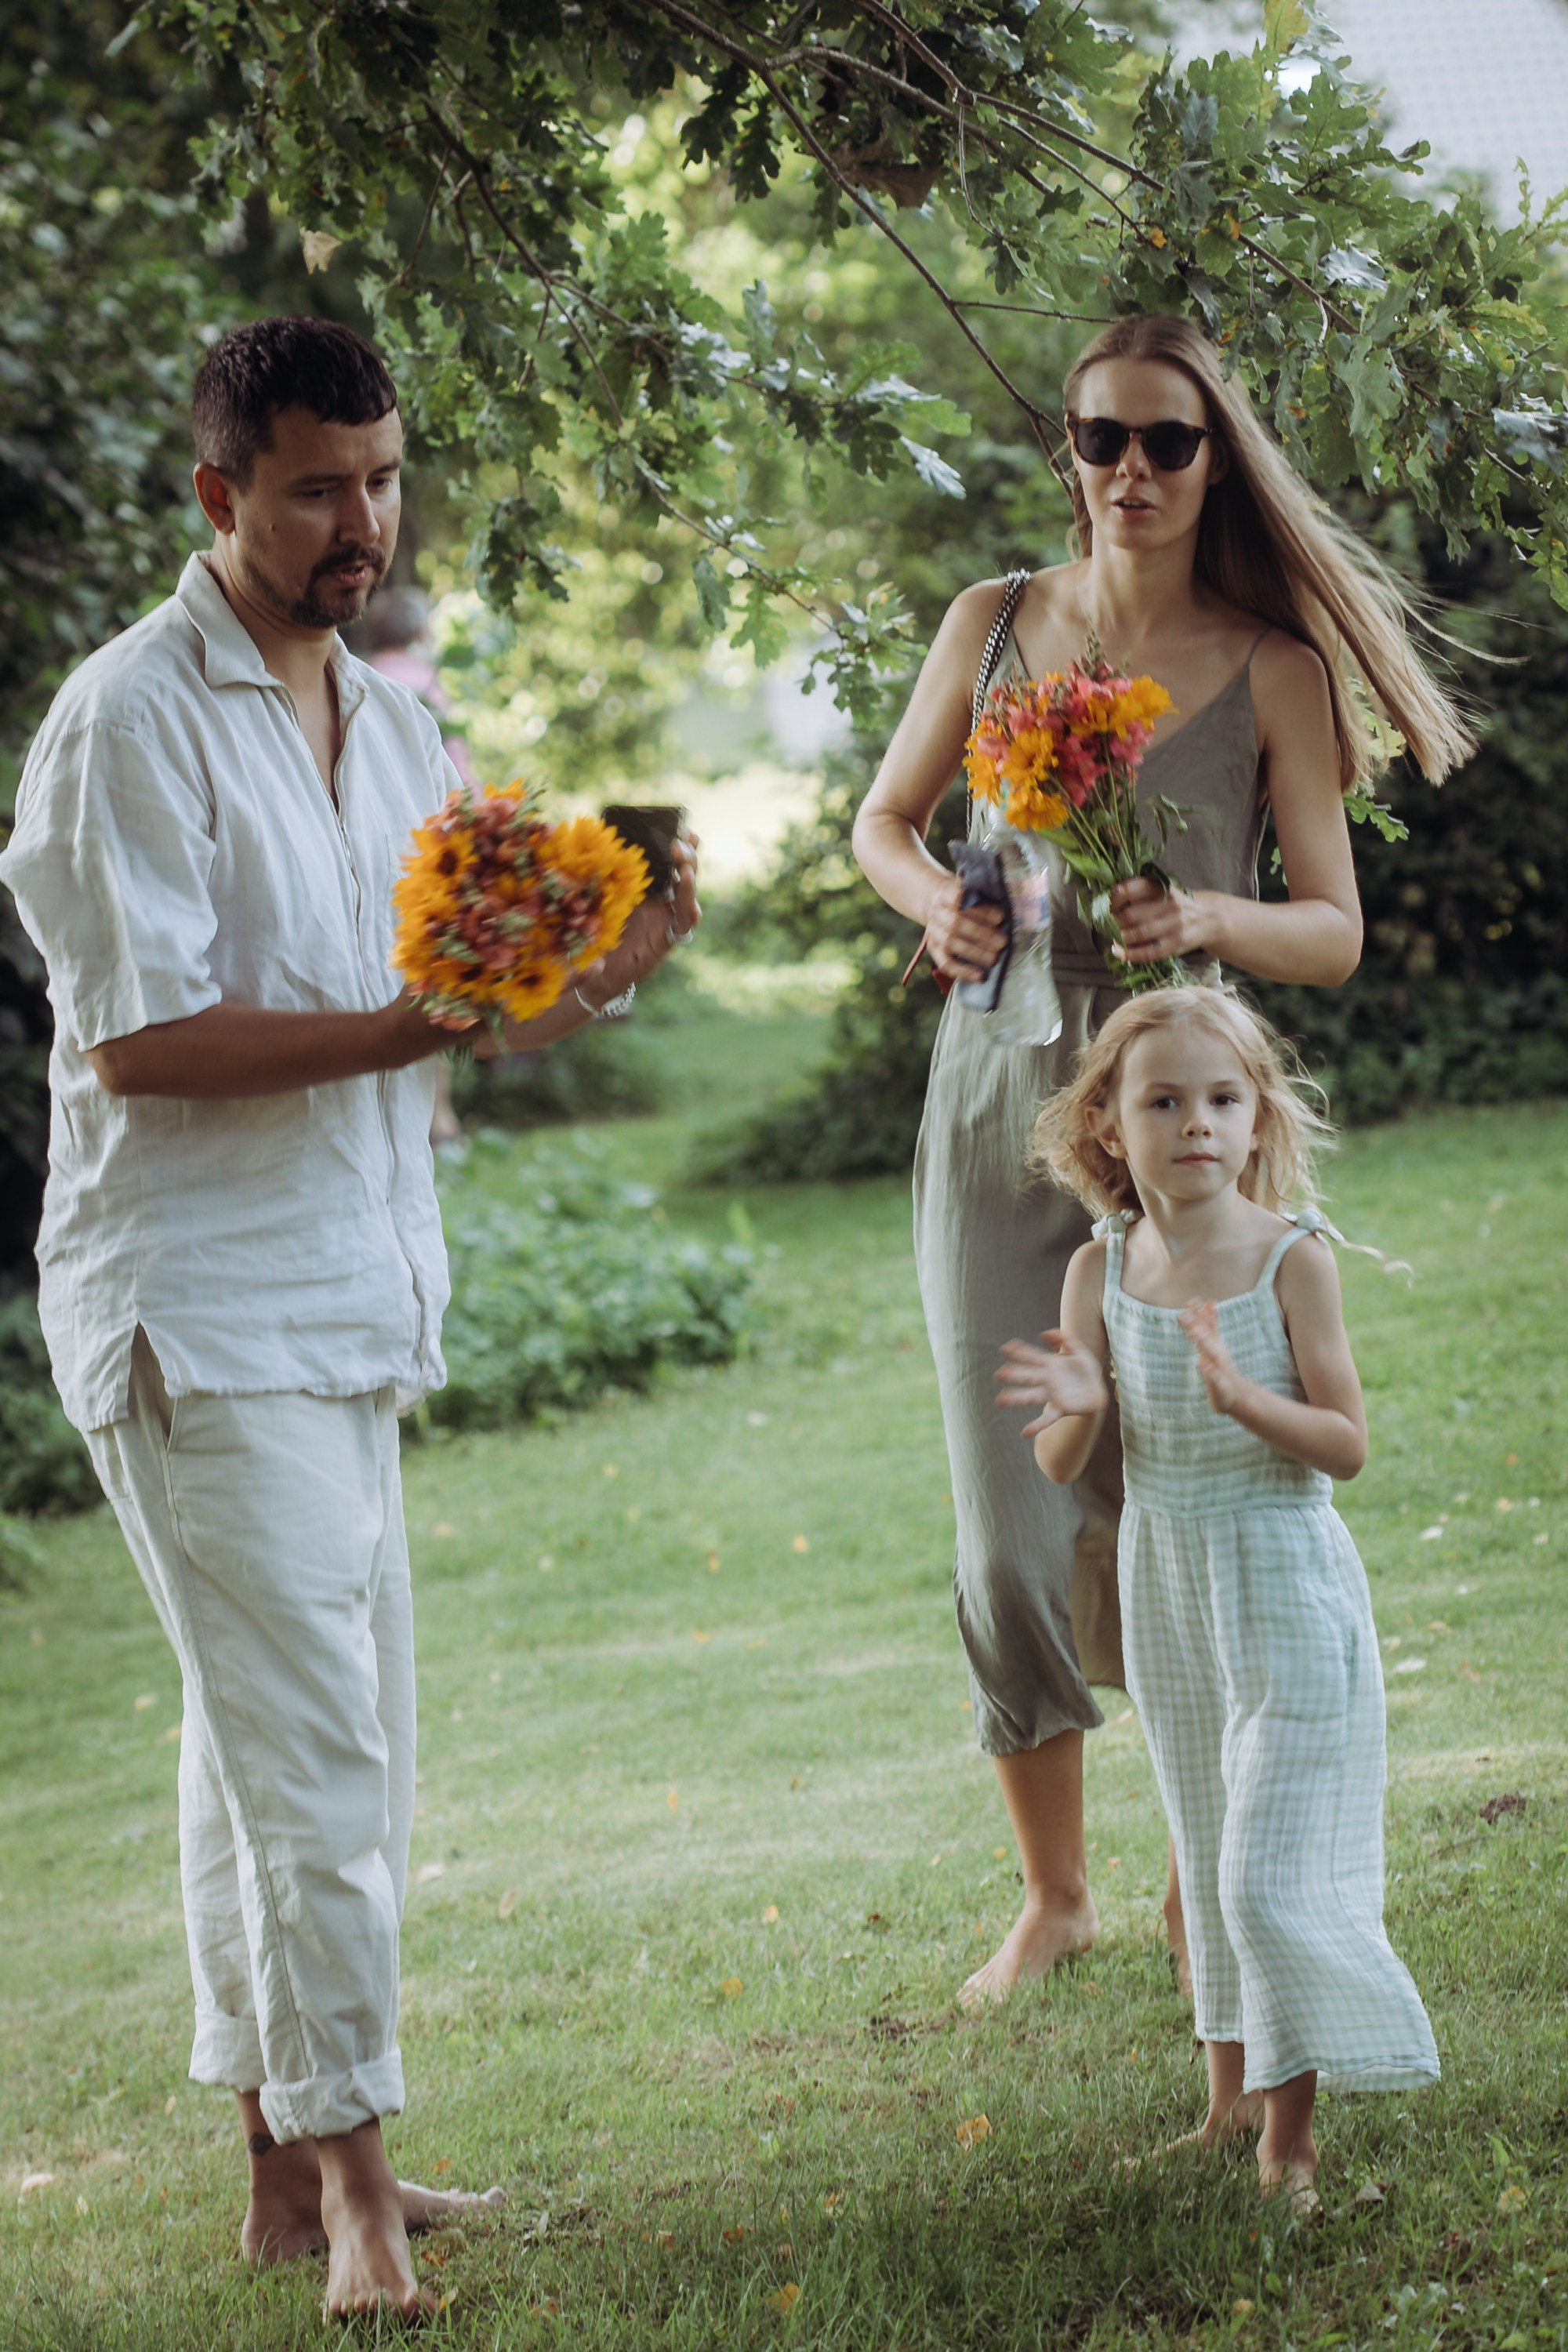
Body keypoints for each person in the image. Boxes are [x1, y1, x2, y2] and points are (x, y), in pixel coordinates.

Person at [0, 315, 699, 2319]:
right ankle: (368, 2199)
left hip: (354, 1297)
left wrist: (616, 956)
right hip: (192, 1317)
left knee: (281, 1754)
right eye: (318, 487)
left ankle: (284, 2184)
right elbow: (140, 1047)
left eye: (381, 479)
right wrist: (413, 1021)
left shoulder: (397, 725)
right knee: (322, 1767)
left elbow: (476, 1004)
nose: (361, 523)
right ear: (221, 496)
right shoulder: (123, 717)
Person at [851, 311, 1473, 2006]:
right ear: (1066, 449)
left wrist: (1203, 913)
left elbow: (1332, 933)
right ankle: (1055, 1894)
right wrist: (943, 904)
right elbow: (885, 825)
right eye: (1098, 438)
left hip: (1182, 1125)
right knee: (1011, 1521)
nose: (1127, 470)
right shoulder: (992, 627)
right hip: (993, 1119)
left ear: (1216, 461)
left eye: (1164, 442)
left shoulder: (1271, 662)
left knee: (1186, 1495)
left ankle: (1213, 1868)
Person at [996, 985, 1439, 2205]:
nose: (1196, 1122)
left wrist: (1251, 1401)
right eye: (1163, 1100)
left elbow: (1345, 1444)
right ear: (1108, 1127)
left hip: (1282, 1578)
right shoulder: (1103, 1268)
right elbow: (1061, 1460)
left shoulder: (1292, 1259)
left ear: (1257, 1122)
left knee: (1259, 1870)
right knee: (1202, 1832)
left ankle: (1287, 2142)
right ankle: (1223, 2104)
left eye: (1222, 1100)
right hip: (1171, 1583)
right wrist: (1076, 1400)